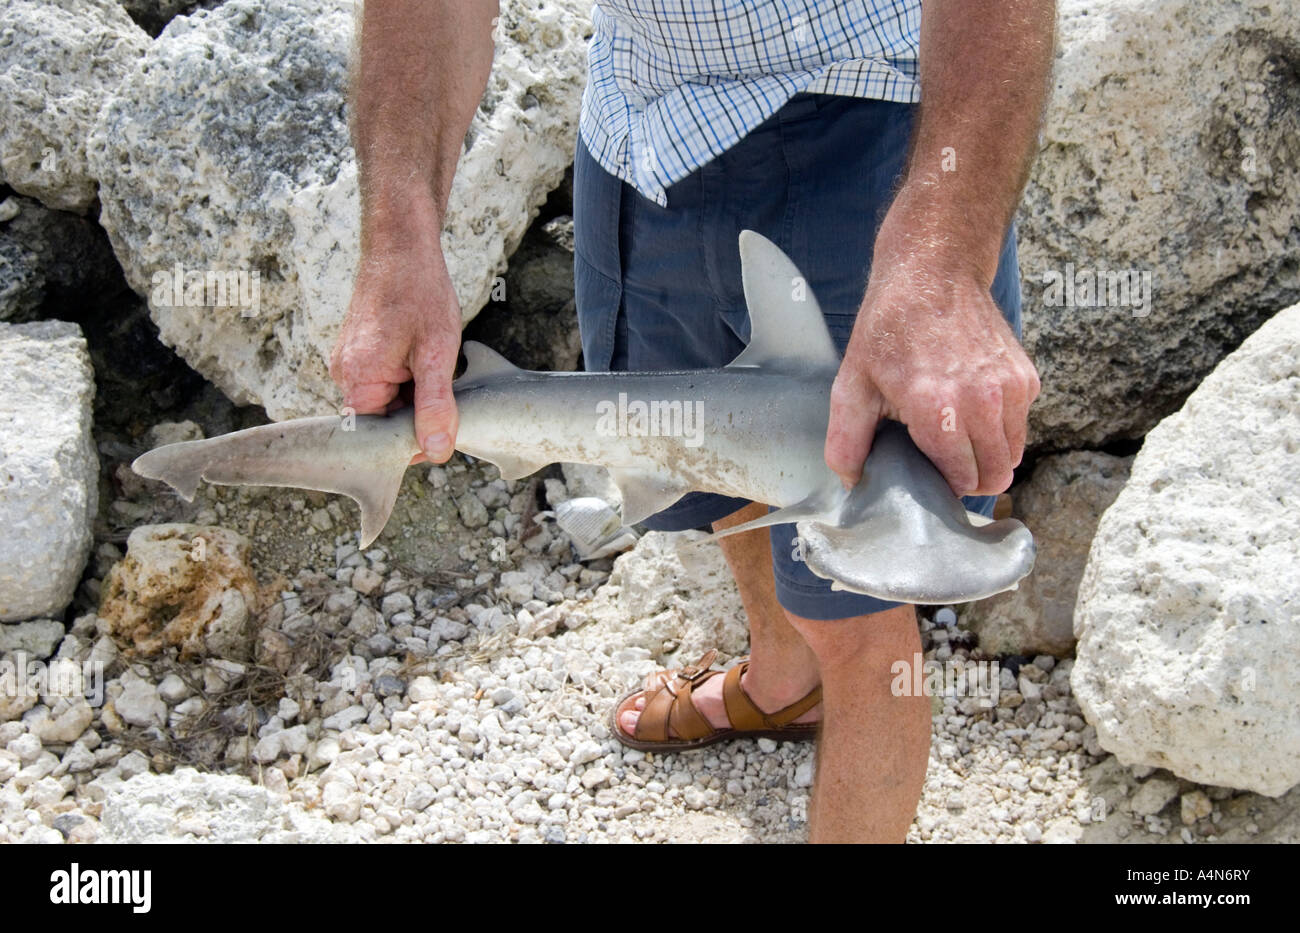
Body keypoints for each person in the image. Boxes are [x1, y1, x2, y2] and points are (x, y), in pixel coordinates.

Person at [331, 0, 1053, 843]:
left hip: (863, 110)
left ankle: (831, 679)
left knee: (857, 614)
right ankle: (784, 678)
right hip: (641, 118)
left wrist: (944, 256)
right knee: (706, 456)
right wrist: (398, 236)